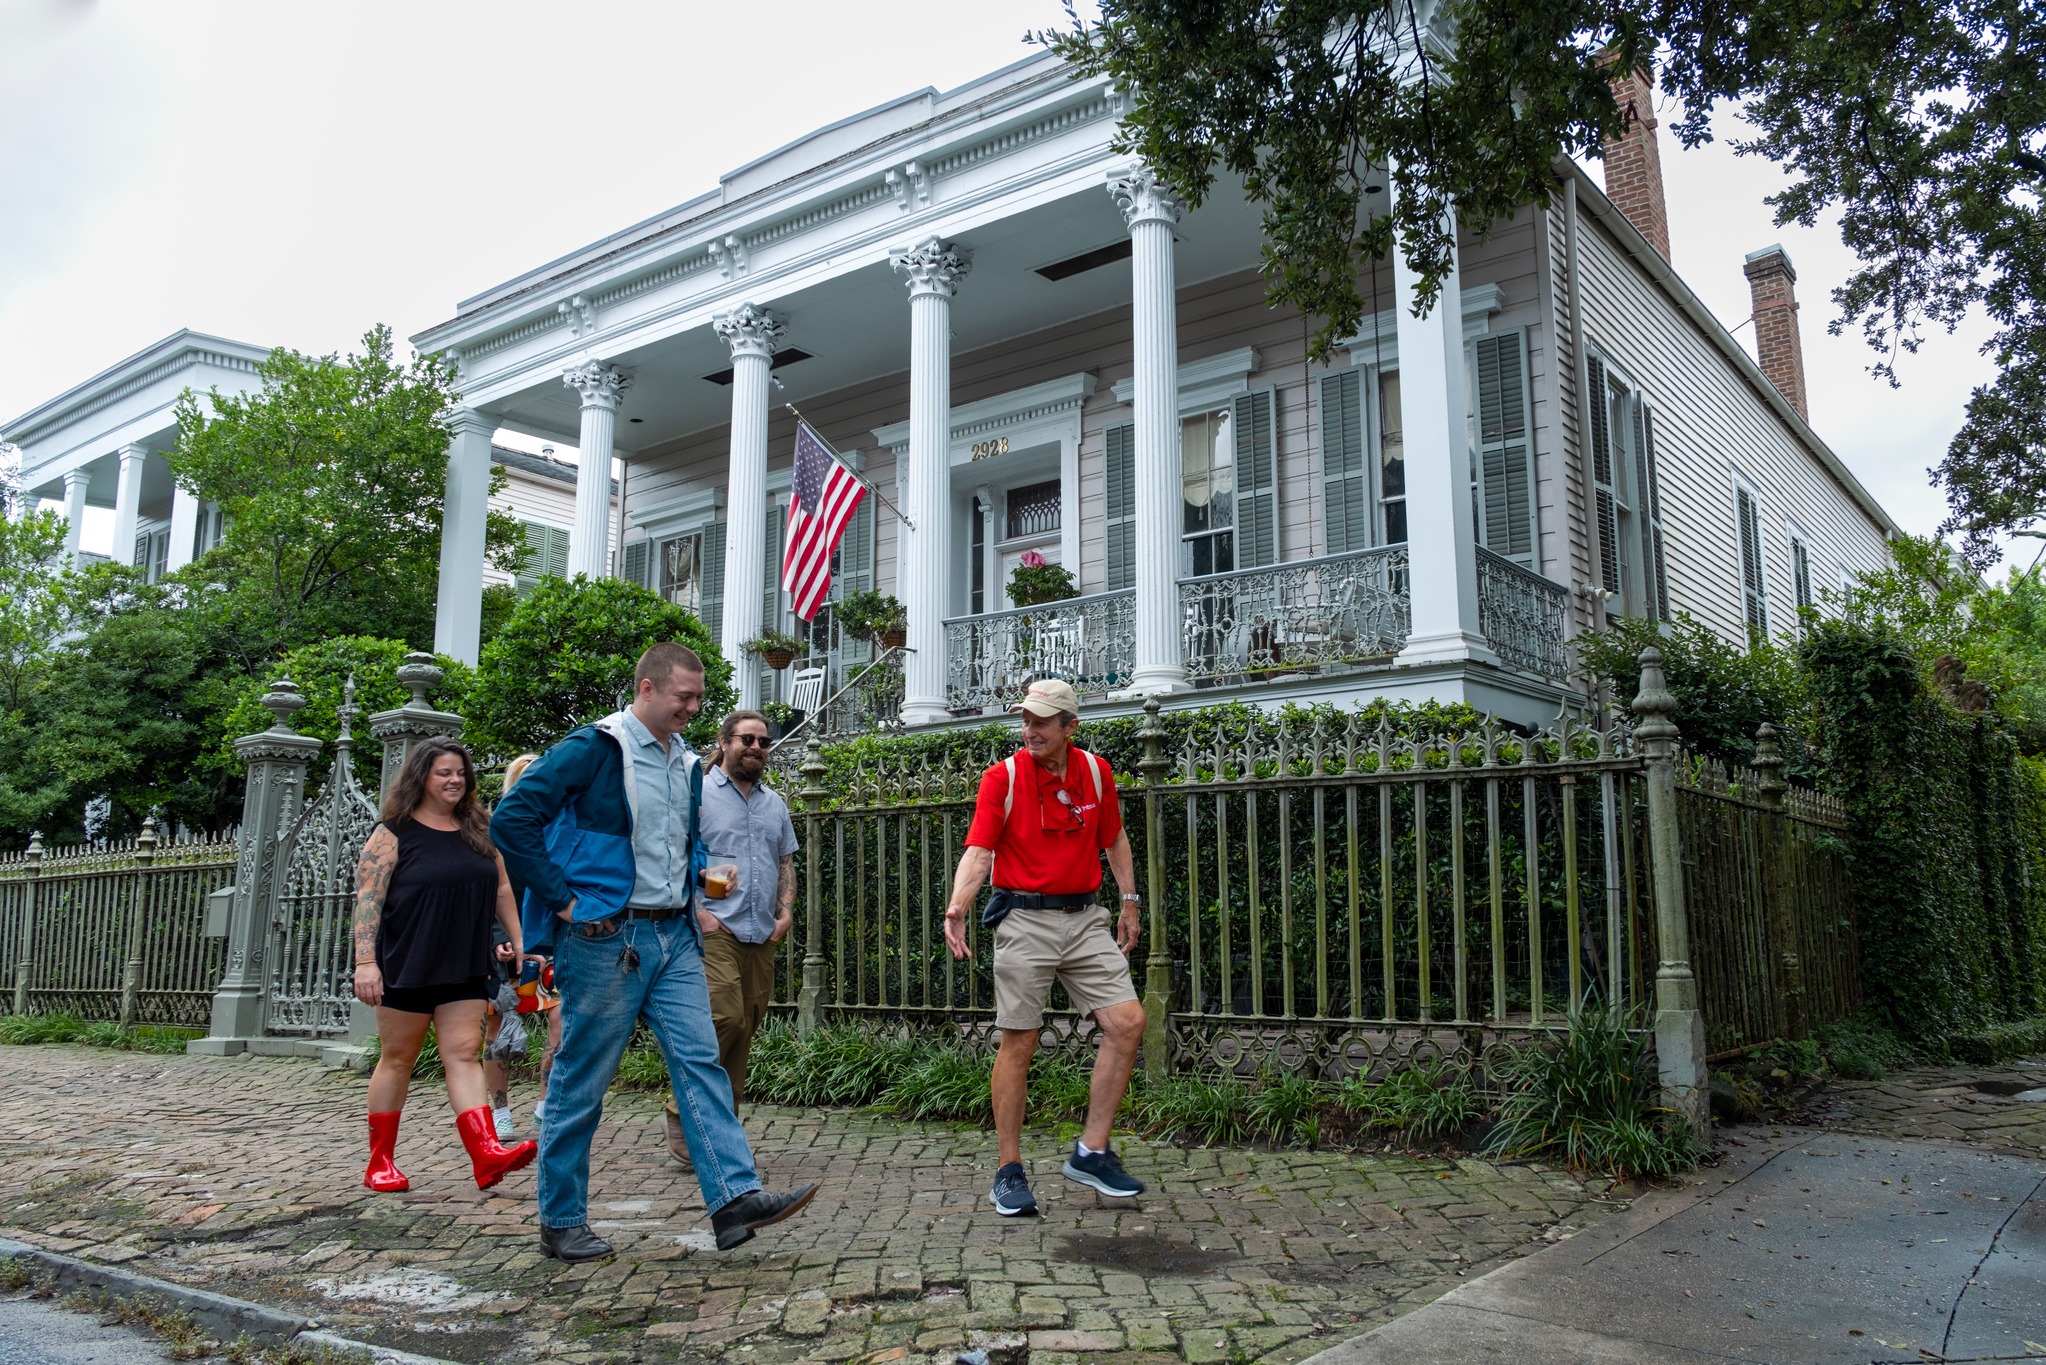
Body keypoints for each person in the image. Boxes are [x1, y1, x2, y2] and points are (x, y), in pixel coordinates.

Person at [491, 643, 819, 1262]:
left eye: (699, 699)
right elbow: (513, 819)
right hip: (605, 940)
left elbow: (677, 843)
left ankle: (733, 1200)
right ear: (646, 688)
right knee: (582, 1081)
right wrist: (564, 900)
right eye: (683, 698)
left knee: (702, 1065)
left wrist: (698, 880)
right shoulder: (594, 749)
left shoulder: (685, 764)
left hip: (675, 937)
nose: (694, 709)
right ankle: (561, 1220)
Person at [942, 677, 1147, 1218]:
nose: (1029, 730)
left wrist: (1129, 901)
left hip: (1084, 918)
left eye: (1041, 721)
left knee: (1127, 1022)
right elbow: (980, 851)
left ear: (1069, 727)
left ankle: (1091, 1151)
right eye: (1025, 720)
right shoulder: (1003, 777)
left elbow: (1114, 838)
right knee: (1021, 1041)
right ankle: (1009, 1171)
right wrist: (958, 904)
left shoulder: (1096, 773)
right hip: (1024, 921)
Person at [351, 736, 539, 1193]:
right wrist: (365, 963)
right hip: (407, 960)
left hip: (464, 963)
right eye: (444, 773)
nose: (454, 780)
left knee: (462, 1054)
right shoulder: (392, 832)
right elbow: (368, 899)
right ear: (422, 777)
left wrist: (521, 942)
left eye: (460, 772)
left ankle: (485, 1154)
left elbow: (501, 892)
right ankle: (380, 1162)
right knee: (398, 1059)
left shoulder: (478, 828)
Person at [661, 709, 798, 1164]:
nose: (756, 748)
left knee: (748, 1025)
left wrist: (786, 912)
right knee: (725, 1018)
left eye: (763, 741)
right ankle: (681, 1110)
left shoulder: (773, 803)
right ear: (724, 741)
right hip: (715, 927)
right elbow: (674, 856)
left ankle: (721, 1128)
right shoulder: (696, 795)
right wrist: (699, 913)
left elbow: (785, 862)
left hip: (762, 931)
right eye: (746, 739)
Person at [481, 753, 560, 1140]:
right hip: (508, 948)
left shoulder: (561, 827)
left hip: (552, 942)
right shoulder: (498, 832)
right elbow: (489, 892)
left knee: (561, 1023)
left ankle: (546, 1106)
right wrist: (498, 938)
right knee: (497, 1029)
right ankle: (500, 1112)